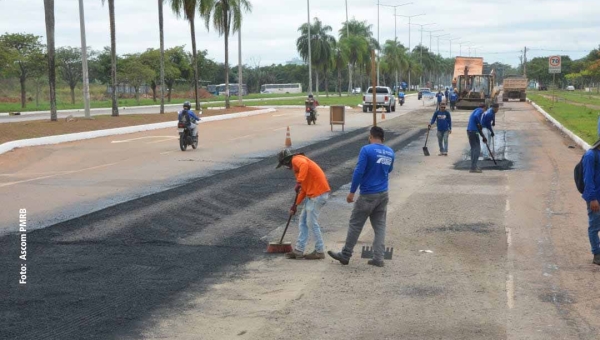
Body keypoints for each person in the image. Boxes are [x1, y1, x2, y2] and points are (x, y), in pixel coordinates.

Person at [328, 127, 395, 267]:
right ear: (383, 138)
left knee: (355, 224)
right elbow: (389, 170)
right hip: (383, 194)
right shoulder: (390, 152)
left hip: (368, 194)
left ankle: (345, 255)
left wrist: (352, 192)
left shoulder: (366, 149)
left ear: (371, 137)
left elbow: (359, 171)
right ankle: (378, 258)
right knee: (380, 226)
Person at [276, 149, 331, 260]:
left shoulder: (297, 159)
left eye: (284, 164)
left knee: (311, 223)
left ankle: (320, 251)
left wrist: (299, 182)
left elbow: (304, 165)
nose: (286, 167)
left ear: (287, 161)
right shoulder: (299, 170)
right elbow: (303, 191)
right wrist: (295, 205)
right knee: (303, 222)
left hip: (318, 194)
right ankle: (299, 251)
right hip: (313, 195)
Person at [582, 139, 600, 265]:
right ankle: (597, 254)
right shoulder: (590, 155)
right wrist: (593, 199)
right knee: (594, 227)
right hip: (596, 199)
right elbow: (588, 179)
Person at [466, 104, 488, 173]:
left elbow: (479, 128)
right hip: (473, 132)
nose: (484, 112)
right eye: (485, 110)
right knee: (477, 149)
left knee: (473, 149)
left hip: (470, 131)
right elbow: (477, 122)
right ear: (484, 108)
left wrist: (483, 136)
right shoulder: (480, 110)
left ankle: (473, 166)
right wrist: (479, 123)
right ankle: (473, 168)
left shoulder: (475, 110)